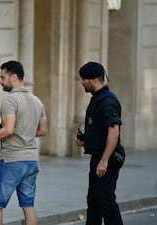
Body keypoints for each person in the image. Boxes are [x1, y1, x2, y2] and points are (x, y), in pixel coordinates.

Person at [0, 60, 47, 225]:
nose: (0, 81)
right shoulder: (36, 101)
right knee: (28, 206)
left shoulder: (10, 100)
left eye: (2, 77)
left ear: (13, 77)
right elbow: (43, 130)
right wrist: (25, 131)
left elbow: (8, 130)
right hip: (31, 161)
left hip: (11, 160)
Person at [75, 61, 124, 225]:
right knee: (94, 202)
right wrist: (85, 139)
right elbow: (99, 129)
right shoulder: (98, 98)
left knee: (106, 201)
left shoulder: (107, 101)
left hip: (107, 158)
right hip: (98, 156)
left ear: (94, 79)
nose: (82, 82)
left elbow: (114, 131)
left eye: (84, 79)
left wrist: (104, 161)